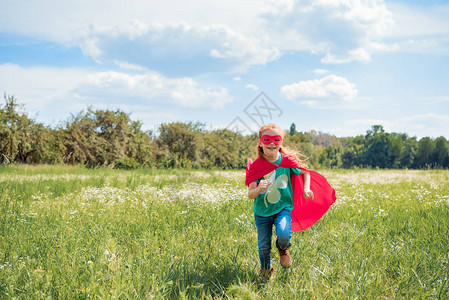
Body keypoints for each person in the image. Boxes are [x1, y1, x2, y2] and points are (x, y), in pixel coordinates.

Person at [245, 124, 336, 278]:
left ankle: (283, 248)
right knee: (263, 246)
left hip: (283, 208)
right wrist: (259, 189)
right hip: (262, 213)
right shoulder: (256, 167)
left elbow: (305, 173)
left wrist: (306, 189)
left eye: (276, 139)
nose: (271, 143)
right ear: (260, 142)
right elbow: (250, 194)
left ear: (281, 142)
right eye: (267, 139)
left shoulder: (286, 161)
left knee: (284, 234)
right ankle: (265, 272)